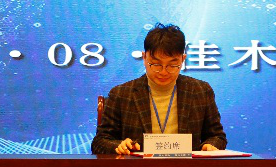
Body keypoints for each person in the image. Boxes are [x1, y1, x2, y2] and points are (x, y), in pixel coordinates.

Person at [91, 23, 227, 155]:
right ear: (144, 58)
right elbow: (99, 142)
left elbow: (217, 136)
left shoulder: (200, 91)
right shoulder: (121, 94)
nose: (163, 72)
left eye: (172, 65)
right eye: (156, 64)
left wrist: (211, 145)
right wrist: (118, 145)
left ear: (182, 59)